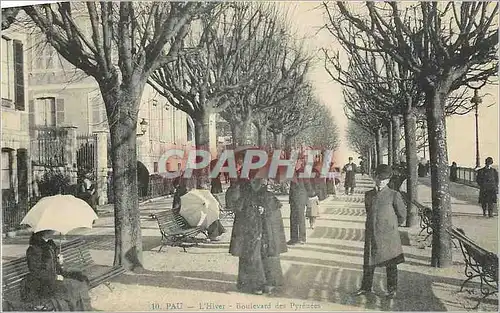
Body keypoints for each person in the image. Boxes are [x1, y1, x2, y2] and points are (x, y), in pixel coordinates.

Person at [229, 173, 287, 295]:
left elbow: (259, 193)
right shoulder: (244, 181)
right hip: (250, 216)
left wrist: (262, 206)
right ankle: (258, 283)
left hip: (261, 216)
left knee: (262, 248)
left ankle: (266, 282)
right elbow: (236, 201)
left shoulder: (257, 180)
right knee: (253, 249)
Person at [354, 164, 406, 299]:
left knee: (391, 262)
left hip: (389, 234)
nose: (380, 181)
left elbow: (402, 215)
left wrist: (391, 225)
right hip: (372, 233)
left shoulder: (394, 195)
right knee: (369, 261)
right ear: (375, 177)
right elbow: (369, 211)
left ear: (388, 180)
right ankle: (366, 288)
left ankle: (392, 289)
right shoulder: (368, 195)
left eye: (383, 179)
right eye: (378, 178)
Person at [21, 230, 92, 311]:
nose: (54, 231)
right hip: (42, 283)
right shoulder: (34, 249)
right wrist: (55, 277)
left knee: (80, 281)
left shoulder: (50, 245)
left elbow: (53, 266)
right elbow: (36, 272)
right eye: (51, 229)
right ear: (44, 231)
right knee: (72, 286)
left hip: (53, 278)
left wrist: (58, 261)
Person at [288, 160, 316, 245]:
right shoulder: (292, 171)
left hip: (300, 197)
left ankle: (302, 238)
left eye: (296, 162)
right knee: (292, 218)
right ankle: (293, 238)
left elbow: (307, 184)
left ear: (300, 163)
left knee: (300, 218)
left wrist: (312, 195)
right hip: (293, 197)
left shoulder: (303, 172)